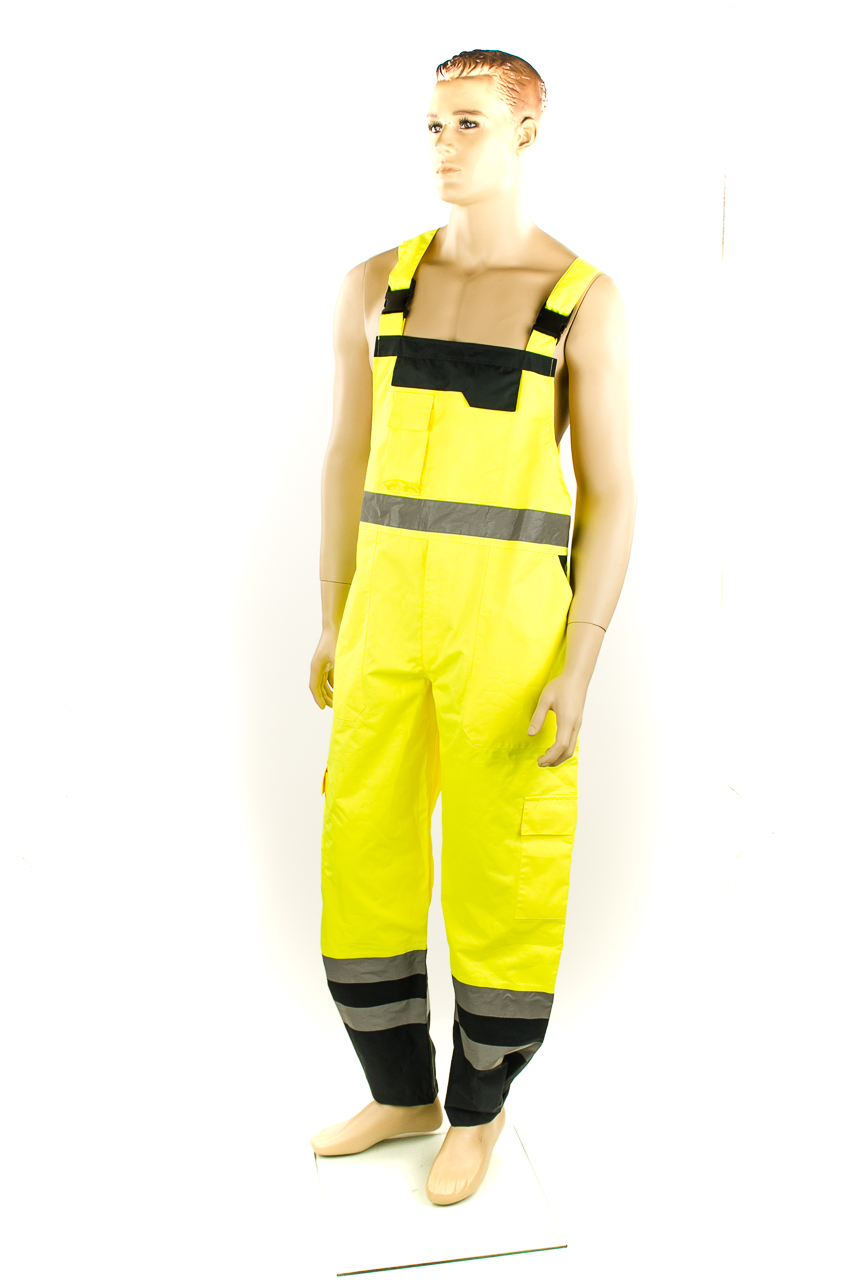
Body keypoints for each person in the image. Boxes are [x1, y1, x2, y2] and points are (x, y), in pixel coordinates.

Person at [307, 48, 636, 1206]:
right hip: (382, 625)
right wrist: (332, 617)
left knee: (504, 864)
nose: (445, 145)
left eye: (471, 123)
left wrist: (579, 663)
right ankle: (399, 1090)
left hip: (510, 632)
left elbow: (613, 494)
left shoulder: (579, 297)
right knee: (364, 851)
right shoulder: (371, 283)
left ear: (526, 133)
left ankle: (480, 1109)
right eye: (433, 124)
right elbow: (345, 458)